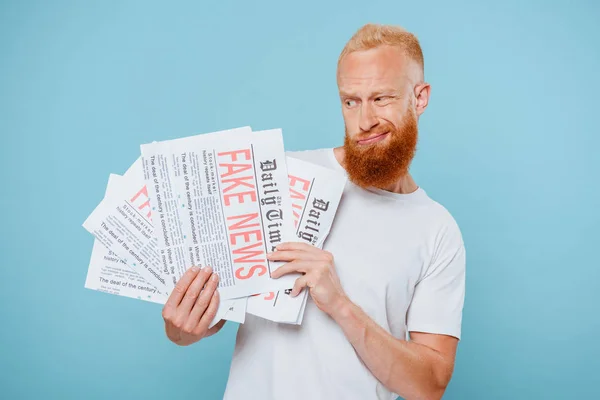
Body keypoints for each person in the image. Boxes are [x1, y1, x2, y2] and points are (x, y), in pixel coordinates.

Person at [160, 23, 466, 400]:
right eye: (350, 101)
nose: (364, 121)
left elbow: (429, 385)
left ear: (419, 98)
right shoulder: (278, 178)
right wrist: (184, 326)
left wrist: (339, 304)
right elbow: (187, 329)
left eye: (382, 99)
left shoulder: (437, 229)